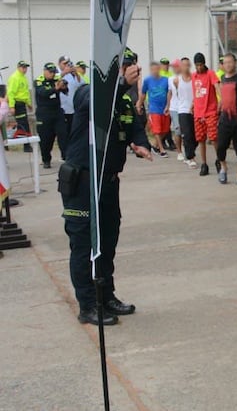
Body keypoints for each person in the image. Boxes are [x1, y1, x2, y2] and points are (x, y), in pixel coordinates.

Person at [60, 50, 152, 325]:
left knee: (107, 243)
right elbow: (96, 101)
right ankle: (88, 305)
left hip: (108, 183)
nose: (130, 70)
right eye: (124, 67)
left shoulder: (123, 101)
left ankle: (106, 296)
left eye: (131, 66)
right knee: (84, 246)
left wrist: (141, 143)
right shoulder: (87, 93)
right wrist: (122, 82)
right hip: (83, 184)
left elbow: (133, 126)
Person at [216, 54, 237, 186]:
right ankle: (223, 168)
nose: (228, 65)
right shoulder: (222, 78)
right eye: (226, 63)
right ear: (222, 65)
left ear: (235, 63)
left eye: (230, 62)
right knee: (220, 147)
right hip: (225, 120)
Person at [34, 62, 68, 169]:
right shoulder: (39, 81)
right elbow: (43, 93)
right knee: (45, 139)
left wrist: (63, 86)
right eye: (51, 72)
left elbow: (65, 91)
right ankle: (46, 160)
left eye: (54, 72)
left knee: (63, 135)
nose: (53, 74)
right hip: (44, 113)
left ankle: (66, 157)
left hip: (57, 111)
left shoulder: (56, 80)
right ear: (45, 71)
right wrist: (55, 88)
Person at [192, 52, 220, 176]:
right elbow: (196, 93)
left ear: (204, 64)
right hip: (198, 112)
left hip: (211, 111)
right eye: (197, 65)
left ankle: (219, 160)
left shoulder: (210, 74)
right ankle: (204, 164)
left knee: (214, 138)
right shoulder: (194, 76)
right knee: (201, 139)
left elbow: (217, 86)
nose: (199, 68)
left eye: (201, 65)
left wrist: (222, 100)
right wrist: (192, 104)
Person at [137, 62, 171, 158]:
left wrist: (168, 105)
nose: (154, 71)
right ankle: (161, 150)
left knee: (165, 129)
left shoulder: (166, 80)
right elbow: (143, 93)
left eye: (156, 69)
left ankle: (155, 145)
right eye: (152, 69)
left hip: (164, 109)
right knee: (157, 130)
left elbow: (169, 93)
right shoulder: (147, 81)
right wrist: (139, 104)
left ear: (159, 69)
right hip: (154, 109)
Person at [7, 60, 34, 152]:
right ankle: (24, 144)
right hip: (17, 103)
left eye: (26, 67)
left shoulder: (23, 77)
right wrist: (11, 106)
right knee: (22, 124)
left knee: (23, 123)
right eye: (23, 67)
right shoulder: (15, 77)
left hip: (22, 103)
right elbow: (11, 93)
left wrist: (28, 103)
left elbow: (25, 92)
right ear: (18, 67)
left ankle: (26, 144)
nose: (25, 69)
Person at [176, 57, 197, 169]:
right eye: (184, 65)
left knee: (196, 135)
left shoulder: (195, 78)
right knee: (187, 134)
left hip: (195, 110)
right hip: (183, 110)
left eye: (188, 64)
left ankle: (189, 150)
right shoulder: (177, 80)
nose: (186, 67)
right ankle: (190, 157)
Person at [59, 56, 85, 138]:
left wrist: (76, 74)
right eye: (64, 63)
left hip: (72, 108)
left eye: (68, 63)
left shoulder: (71, 75)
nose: (67, 65)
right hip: (61, 108)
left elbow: (81, 84)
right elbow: (54, 82)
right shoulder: (56, 72)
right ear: (59, 64)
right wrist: (64, 73)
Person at [166, 59, 184, 161]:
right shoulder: (170, 79)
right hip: (174, 107)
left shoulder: (185, 78)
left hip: (183, 107)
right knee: (177, 129)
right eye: (173, 67)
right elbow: (170, 93)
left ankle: (189, 151)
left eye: (176, 66)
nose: (174, 68)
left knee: (185, 130)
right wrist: (167, 106)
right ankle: (179, 151)